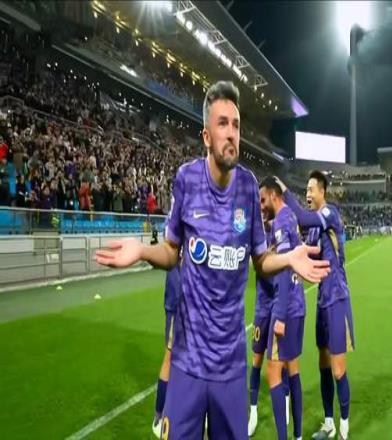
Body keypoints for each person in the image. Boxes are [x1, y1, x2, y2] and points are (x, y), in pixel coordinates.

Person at [95, 81, 330, 440]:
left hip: (230, 367)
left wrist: (287, 259)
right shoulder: (186, 179)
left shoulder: (248, 187)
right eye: (223, 124)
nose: (232, 133)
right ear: (206, 136)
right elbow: (171, 251)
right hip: (188, 361)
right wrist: (142, 251)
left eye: (236, 125)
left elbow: (260, 260)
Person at [275, 171, 354, 440]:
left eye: (311, 190)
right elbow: (305, 253)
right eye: (306, 190)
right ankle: (329, 423)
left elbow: (303, 217)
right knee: (323, 365)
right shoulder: (313, 231)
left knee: (338, 369)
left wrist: (284, 191)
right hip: (322, 299)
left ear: (322, 192)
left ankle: (344, 427)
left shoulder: (329, 214)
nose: (308, 194)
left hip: (337, 298)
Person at [260, 176, 305, 440]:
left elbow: (286, 267)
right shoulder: (291, 218)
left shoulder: (281, 222)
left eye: (263, 199)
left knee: (273, 372)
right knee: (293, 369)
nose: (261, 205)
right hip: (298, 304)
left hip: (285, 307)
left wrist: (279, 316)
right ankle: (297, 435)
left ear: (274, 196)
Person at [248, 215, 290, 437]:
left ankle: (285, 405)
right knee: (256, 361)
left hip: (277, 307)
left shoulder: (280, 232)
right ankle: (253, 412)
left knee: (280, 363)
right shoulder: (256, 235)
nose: (262, 214)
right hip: (261, 308)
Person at [152, 221, 182, 438]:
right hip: (177, 302)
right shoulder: (174, 221)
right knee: (170, 358)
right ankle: (159, 415)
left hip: (189, 302)